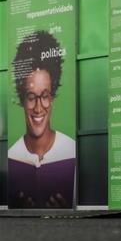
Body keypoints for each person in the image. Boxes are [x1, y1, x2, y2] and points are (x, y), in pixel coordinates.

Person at [8, 30, 76, 209]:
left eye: (44, 96)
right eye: (31, 97)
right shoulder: (11, 155)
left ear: (52, 97)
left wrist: (66, 210)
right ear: (22, 100)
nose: (38, 108)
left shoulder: (72, 149)